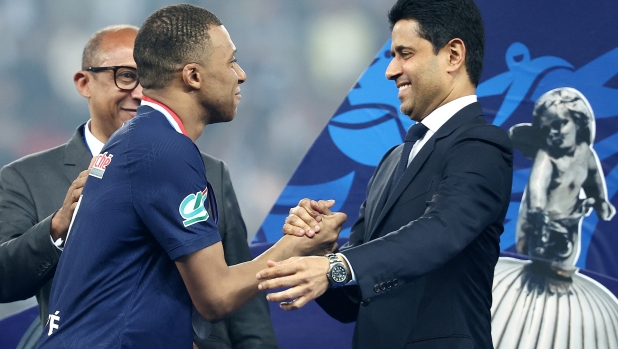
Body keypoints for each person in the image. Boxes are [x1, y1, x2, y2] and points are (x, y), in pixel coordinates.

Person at [36, 5, 344, 349]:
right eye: (230, 62)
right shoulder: (164, 150)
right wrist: (299, 245)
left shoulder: (134, 140)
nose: (240, 75)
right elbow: (215, 298)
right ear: (193, 76)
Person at [0, 24, 278, 349]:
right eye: (125, 76)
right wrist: (57, 227)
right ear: (84, 82)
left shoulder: (209, 171)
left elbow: (247, 315)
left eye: (148, 78)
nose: (140, 92)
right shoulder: (27, 177)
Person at [256, 0, 513, 348]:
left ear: (453, 55)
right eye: (393, 54)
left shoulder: (482, 145)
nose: (391, 70)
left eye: (405, 53)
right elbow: (351, 301)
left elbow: (442, 231)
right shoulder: (392, 160)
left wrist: (336, 265)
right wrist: (317, 250)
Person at [511, 87, 615, 275]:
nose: (553, 132)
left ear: (579, 122)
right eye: (546, 128)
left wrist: (600, 202)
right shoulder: (547, 157)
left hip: (569, 223)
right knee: (534, 272)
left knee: (562, 271)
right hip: (539, 225)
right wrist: (539, 217)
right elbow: (537, 188)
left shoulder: (586, 154)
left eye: (559, 124)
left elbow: (594, 183)